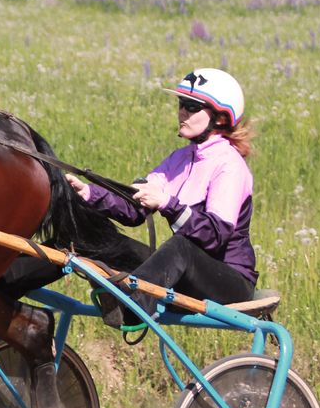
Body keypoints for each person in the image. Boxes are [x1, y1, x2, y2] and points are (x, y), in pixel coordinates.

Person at [76, 67, 257, 326]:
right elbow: (134, 208)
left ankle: (130, 305)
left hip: (231, 284)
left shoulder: (229, 165)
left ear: (219, 118)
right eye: (182, 104)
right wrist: (89, 193)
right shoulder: (179, 159)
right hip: (191, 274)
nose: (182, 111)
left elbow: (215, 237)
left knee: (180, 246)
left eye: (192, 107)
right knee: (107, 240)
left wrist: (166, 203)